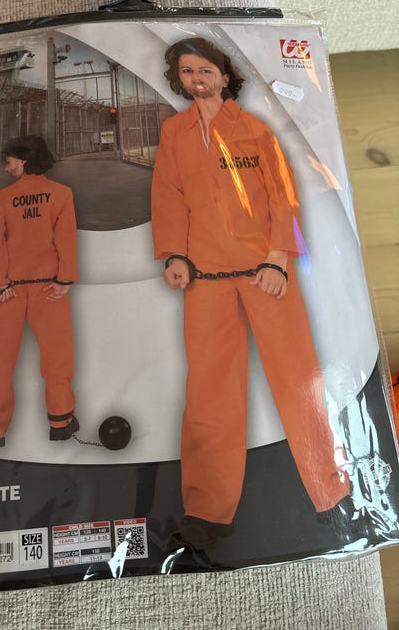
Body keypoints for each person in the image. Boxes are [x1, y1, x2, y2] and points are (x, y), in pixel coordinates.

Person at [151, 37, 353, 550]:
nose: (197, 79)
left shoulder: (255, 131)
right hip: (205, 279)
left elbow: (284, 197)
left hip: (266, 272)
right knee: (209, 393)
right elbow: (168, 196)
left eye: (205, 70)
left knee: (299, 380)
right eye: (187, 71)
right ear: (179, 79)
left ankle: (334, 493)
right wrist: (174, 255)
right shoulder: (174, 133)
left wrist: (278, 259)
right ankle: (207, 512)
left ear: (224, 76)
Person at [0, 135, 79, 448]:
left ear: (24, 160)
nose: (7, 168)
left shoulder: (3, 199)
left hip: (10, 291)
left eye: (10, 162)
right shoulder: (61, 194)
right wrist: (64, 280)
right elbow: (66, 239)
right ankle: (60, 422)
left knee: (0, 361)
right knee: (58, 358)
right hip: (49, 288)